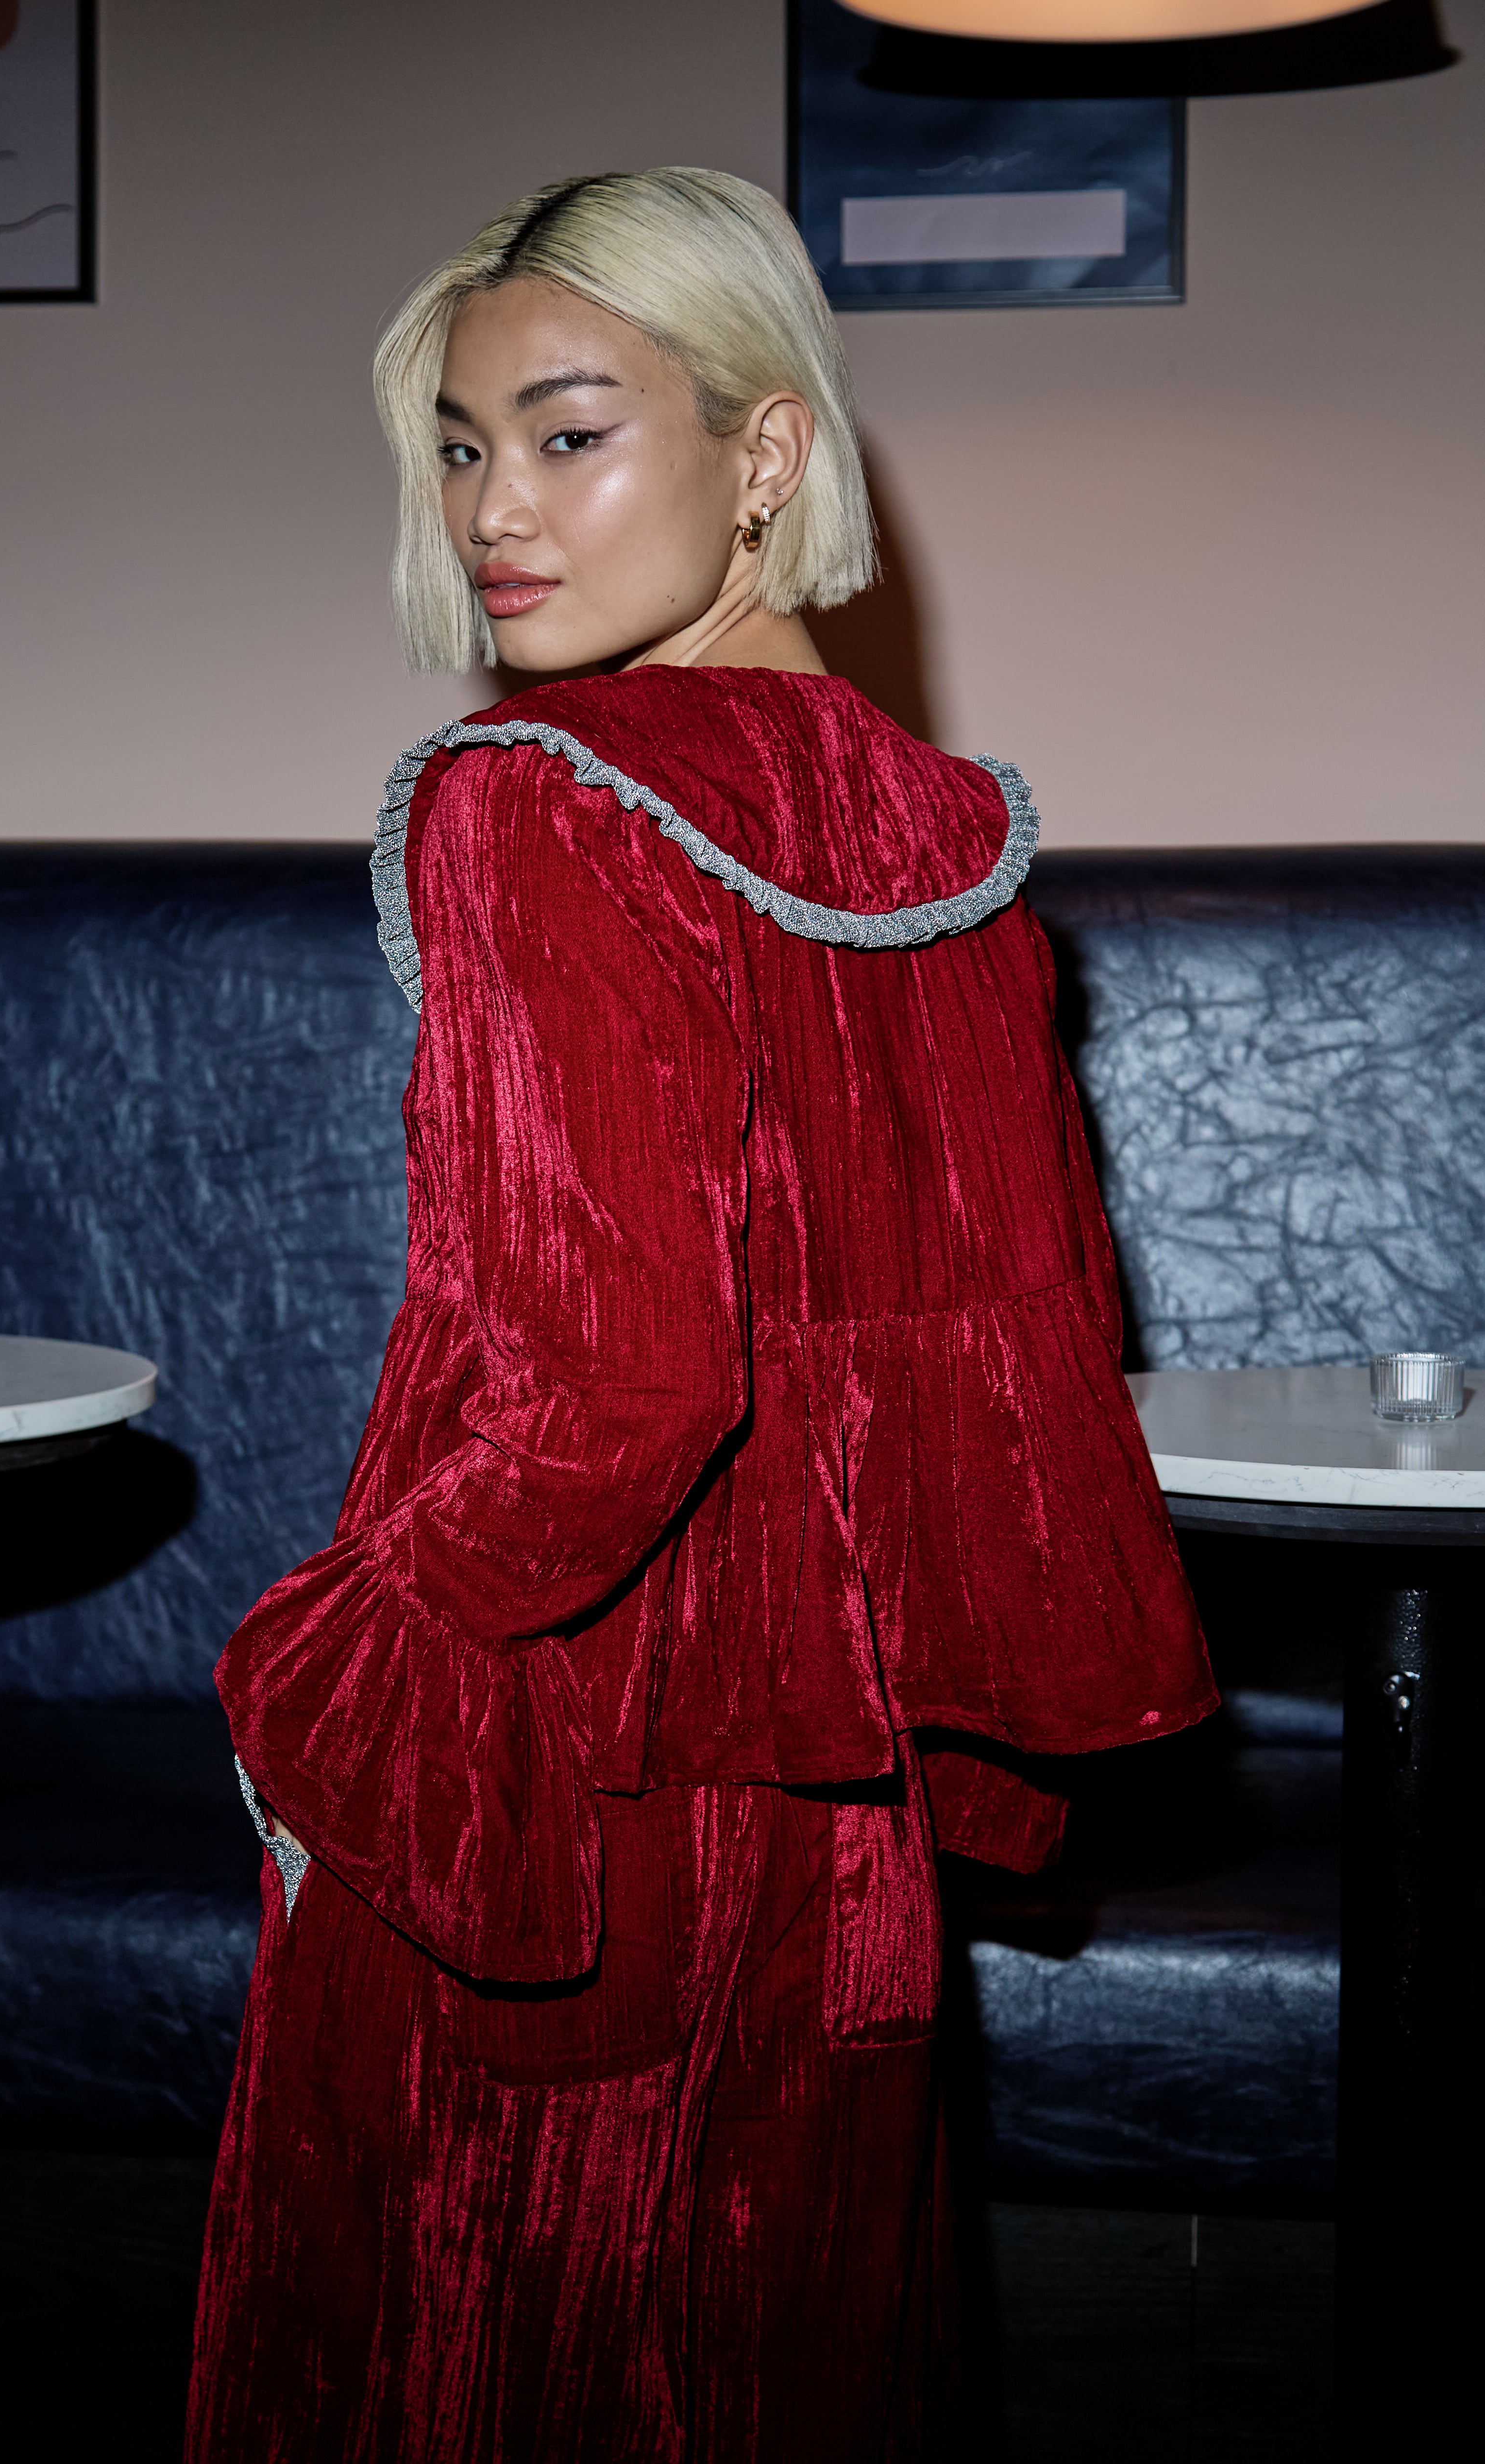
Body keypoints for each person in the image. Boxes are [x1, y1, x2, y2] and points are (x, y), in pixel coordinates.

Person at [186, 167, 1215, 2464]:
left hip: (544, 1780)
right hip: (840, 1837)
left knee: (452, 2379)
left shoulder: (535, 806)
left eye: (569, 433)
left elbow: (620, 1390)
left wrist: (320, 1669)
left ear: (765, 453)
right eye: (461, 446)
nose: (493, 513)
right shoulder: (947, 828)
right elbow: (1025, 1384)